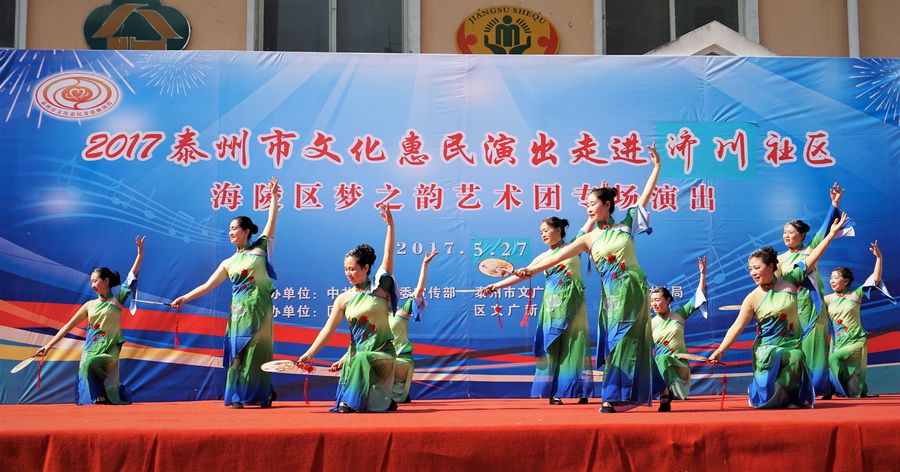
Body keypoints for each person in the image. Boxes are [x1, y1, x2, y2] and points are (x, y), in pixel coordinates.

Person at [514, 144, 662, 413]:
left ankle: (610, 397)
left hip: (633, 290)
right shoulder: (588, 238)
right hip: (611, 297)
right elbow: (556, 257)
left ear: (607, 205)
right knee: (618, 341)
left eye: (593, 203)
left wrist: (656, 168)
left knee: (627, 340)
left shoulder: (626, 225)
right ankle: (663, 390)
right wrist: (531, 270)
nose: (589, 208)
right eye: (587, 205)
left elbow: (644, 197)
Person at [708, 213, 849, 409]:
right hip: (767, 350)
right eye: (750, 269)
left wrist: (831, 235)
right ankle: (763, 391)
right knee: (781, 374)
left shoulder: (790, 282)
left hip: (790, 344)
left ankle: (784, 396)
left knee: (796, 356)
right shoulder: (752, 298)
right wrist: (720, 351)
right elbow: (737, 327)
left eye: (757, 268)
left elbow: (813, 257)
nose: (753, 273)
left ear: (771, 266)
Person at [171, 177, 280, 409]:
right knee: (237, 355)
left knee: (257, 354)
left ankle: (262, 393)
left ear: (246, 231)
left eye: (234, 228)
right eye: (229, 229)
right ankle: (238, 395)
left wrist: (273, 197)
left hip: (260, 311)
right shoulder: (228, 262)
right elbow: (207, 285)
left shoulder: (260, 249)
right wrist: (185, 298)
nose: (230, 232)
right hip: (239, 314)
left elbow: (271, 220)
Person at [483, 216, 595, 405]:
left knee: (576, 346)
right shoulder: (543, 257)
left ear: (558, 230)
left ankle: (578, 389)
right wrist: (497, 285)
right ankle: (555, 392)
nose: (543, 234)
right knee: (553, 347)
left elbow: (589, 223)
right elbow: (524, 274)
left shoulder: (574, 246)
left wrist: (594, 209)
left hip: (574, 305)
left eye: (546, 230)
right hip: (553, 308)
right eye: (541, 232)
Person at [298, 204, 399, 413]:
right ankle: (380, 399)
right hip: (357, 355)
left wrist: (390, 226)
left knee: (360, 358)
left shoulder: (380, 289)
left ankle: (352, 402)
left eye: (352, 269)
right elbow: (328, 330)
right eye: (345, 269)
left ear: (366, 268)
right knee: (356, 357)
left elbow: (388, 257)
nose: (348, 273)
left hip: (382, 354)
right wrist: (309, 354)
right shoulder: (343, 299)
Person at [34, 236, 145, 405]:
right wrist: (48, 346)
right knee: (88, 363)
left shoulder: (117, 300)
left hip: (109, 351)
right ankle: (98, 400)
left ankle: (101, 397)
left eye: (95, 281)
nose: (92, 285)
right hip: (90, 350)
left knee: (92, 363)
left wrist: (140, 253)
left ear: (106, 281)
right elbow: (68, 326)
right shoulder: (89, 305)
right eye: (91, 282)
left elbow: (131, 276)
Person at [778, 183, 849, 397]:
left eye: (790, 232)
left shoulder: (811, 249)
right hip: (792, 307)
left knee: (816, 346)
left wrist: (834, 204)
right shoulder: (779, 259)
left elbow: (826, 230)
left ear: (802, 235)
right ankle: (798, 386)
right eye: (784, 232)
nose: (786, 236)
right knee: (795, 347)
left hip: (813, 305)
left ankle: (819, 387)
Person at [824, 240, 894, 398]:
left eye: (836, 278)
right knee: (845, 377)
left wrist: (879, 258)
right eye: (831, 278)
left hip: (856, 340)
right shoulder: (827, 299)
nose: (832, 280)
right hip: (838, 342)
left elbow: (875, 279)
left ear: (846, 281)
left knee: (847, 370)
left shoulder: (856, 295)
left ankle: (842, 390)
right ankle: (839, 390)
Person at [650, 256, 707, 411]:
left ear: (668, 300)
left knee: (662, 358)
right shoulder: (650, 323)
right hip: (661, 364)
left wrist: (702, 274)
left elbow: (698, 298)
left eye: (657, 300)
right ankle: (664, 392)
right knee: (659, 359)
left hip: (679, 364)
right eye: (652, 300)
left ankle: (668, 392)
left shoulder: (679, 315)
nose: (654, 304)